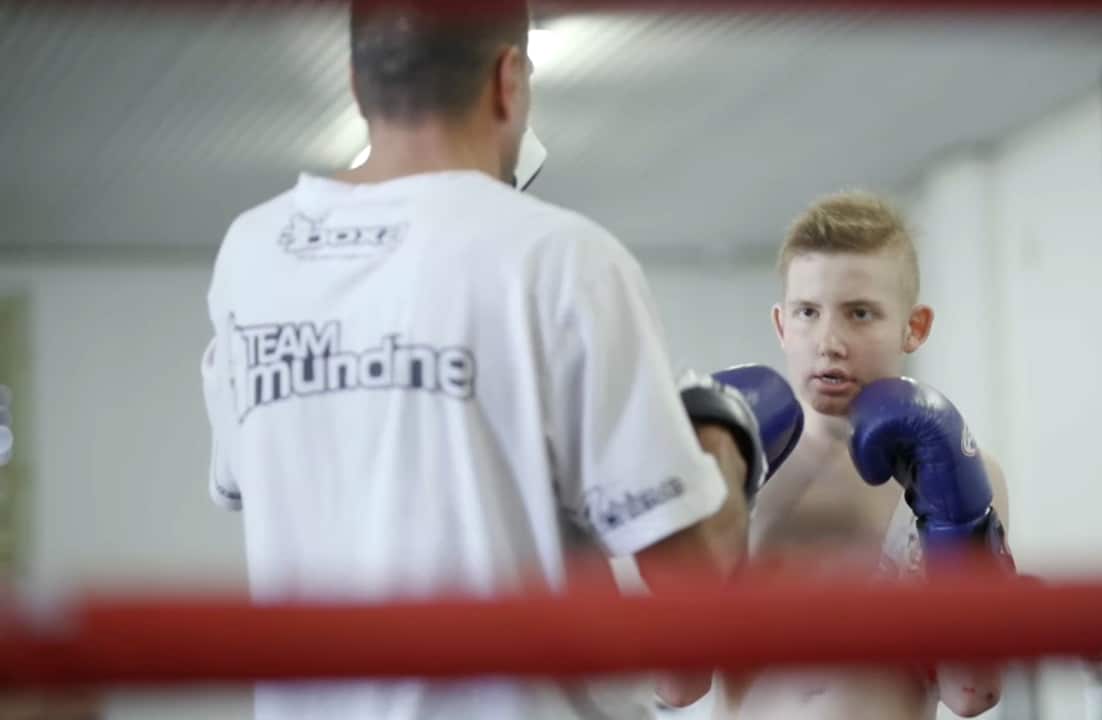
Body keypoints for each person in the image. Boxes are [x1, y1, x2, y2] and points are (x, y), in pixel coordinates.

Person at [198, 2, 802, 718]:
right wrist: (723, 441)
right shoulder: (560, 259)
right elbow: (686, 635)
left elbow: (243, 478)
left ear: (358, 84)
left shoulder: (253, 256)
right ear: (509, 79)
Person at [717, 190, 1015, 720]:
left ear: (914, 326)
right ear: (782, 325)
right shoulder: (734, 462)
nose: (829, 341)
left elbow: (973, 692)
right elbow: (674, 686)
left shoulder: (966, 471)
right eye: (808, 312)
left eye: (860, 313)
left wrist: (957, 526)